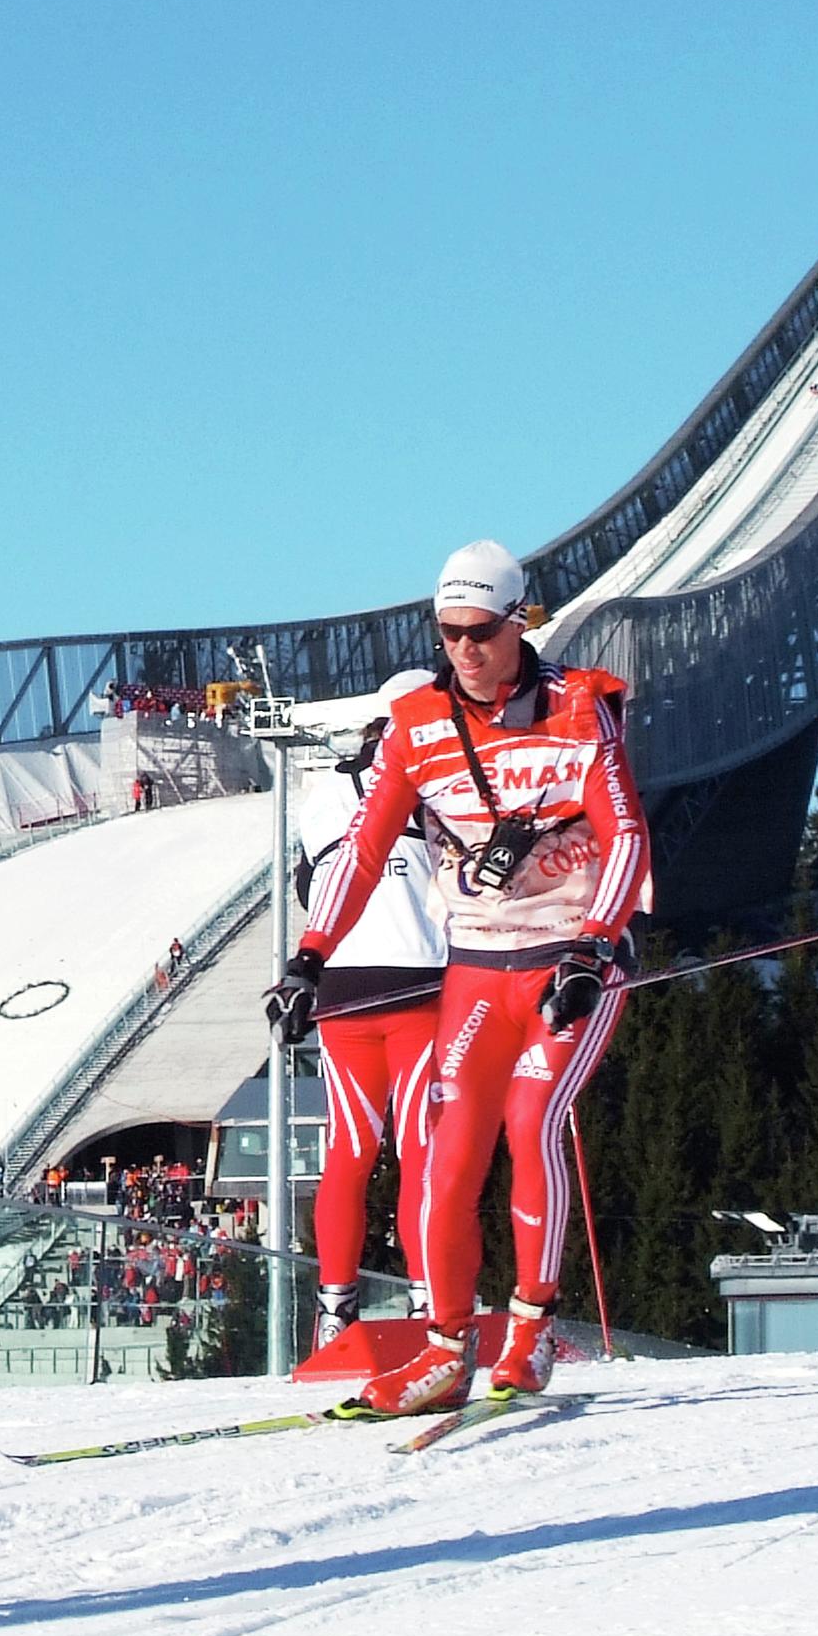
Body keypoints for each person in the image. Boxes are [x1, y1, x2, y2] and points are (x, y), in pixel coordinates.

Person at [274, 543, 647, 1412]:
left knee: (532, 1117)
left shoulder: (578, 710)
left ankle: (530, 1326)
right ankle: (446, 1345)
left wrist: (595, 945)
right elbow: (363, 850)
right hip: (478, 967)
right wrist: (309, 954)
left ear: (522, 620)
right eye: (450, 633)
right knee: (447, 1148)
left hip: (566, 963)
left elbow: (627, 834)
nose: (467, 650)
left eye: (482, 631)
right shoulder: (417, 727)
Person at [275, 675, 451, 1350]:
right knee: (423, 1154)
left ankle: (335, 1312)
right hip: (420, 988)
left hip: (339, 986)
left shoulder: (321, 792)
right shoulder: (431, 780)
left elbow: (306, 884)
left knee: (351, 1151)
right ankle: (429, 1303)